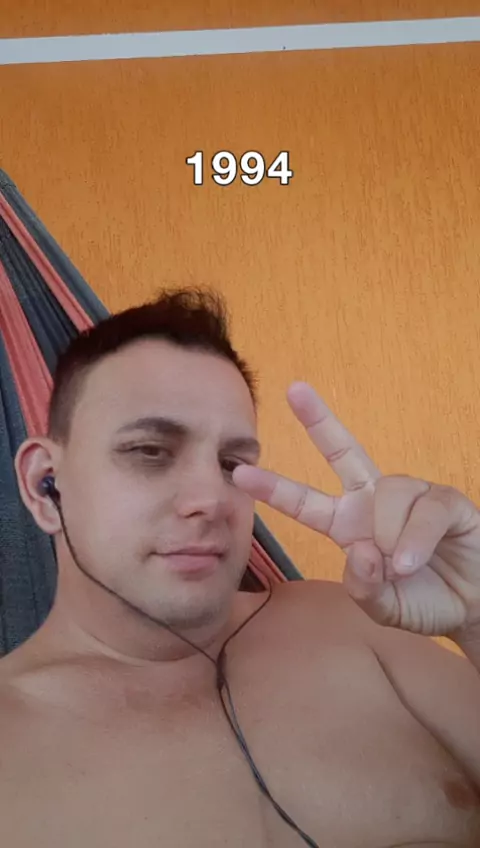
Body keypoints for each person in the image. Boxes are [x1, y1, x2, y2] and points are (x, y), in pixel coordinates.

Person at [1, 287, 480, 848]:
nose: (212, 499)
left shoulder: (350, 623)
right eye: (149, 451)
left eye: (232, 464)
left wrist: (476, 617)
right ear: (45, 485)